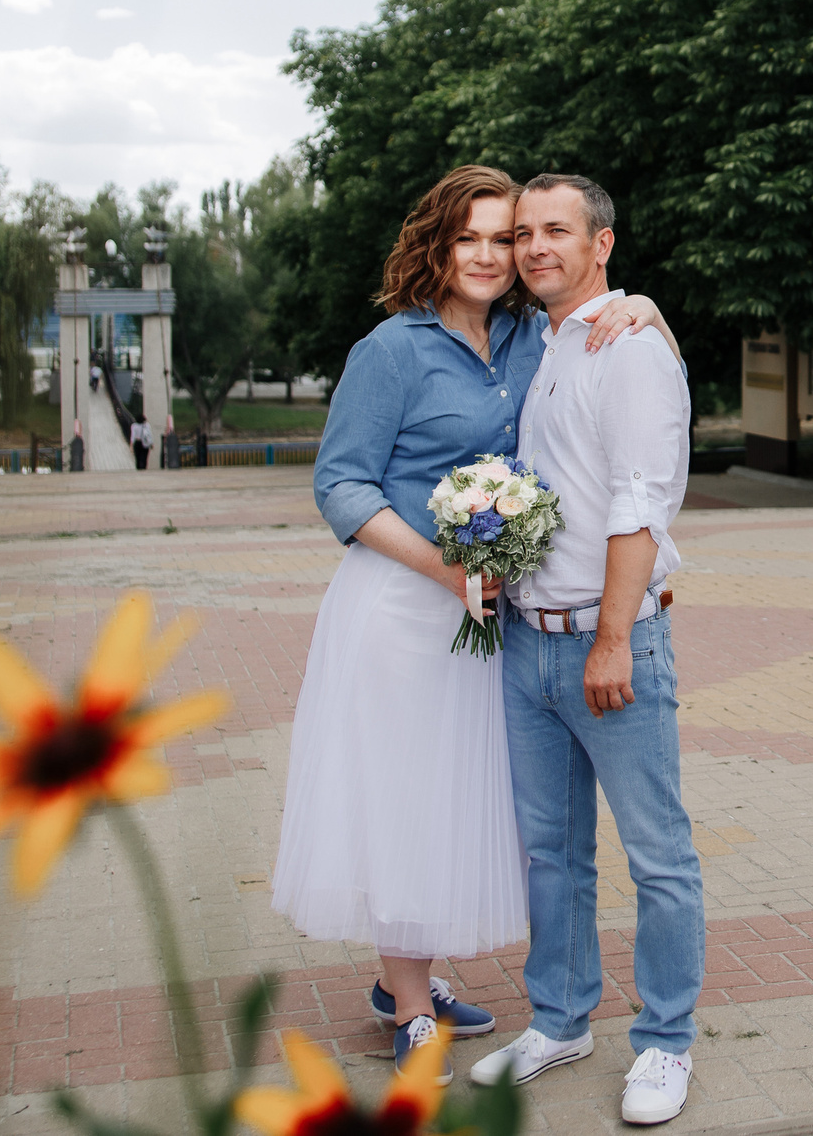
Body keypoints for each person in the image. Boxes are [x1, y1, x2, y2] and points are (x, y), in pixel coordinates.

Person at [272, 166, 677, 1076]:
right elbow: (340, 484)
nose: (495, 255)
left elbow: (621, 396)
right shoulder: (392, 349)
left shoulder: (536, 339)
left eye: (507, 238)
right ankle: (408, 1002)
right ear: (438, 246)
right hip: (402, 609)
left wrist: (648, 306)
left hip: (492, 618)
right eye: (474, 238)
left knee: (455, 796)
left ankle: (410, 980)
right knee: (400, 795)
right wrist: (443, 563)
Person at [471, 174, 701, 1127]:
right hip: (527, 643)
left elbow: (641, 496)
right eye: (524, 233)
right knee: (553, 854)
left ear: (602, 243)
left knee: (657, 853)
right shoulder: (549, 341)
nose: (533, 247)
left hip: (609, 645)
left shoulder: (630, 346)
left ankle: (665, 1042)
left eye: (555, 230)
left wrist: (612, 638)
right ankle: (562, 1017)